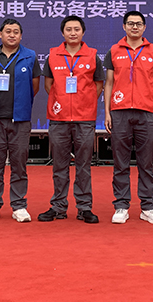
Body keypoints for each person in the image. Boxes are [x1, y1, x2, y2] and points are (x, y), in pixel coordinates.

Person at [38, 15, 105, 224]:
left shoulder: (93, 56)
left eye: (77, 29)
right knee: (60, 165)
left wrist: (84, 102)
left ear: (83, 32)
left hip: (84, 119)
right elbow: (49, 85)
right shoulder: (53, 55)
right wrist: (62, 102)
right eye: (69, 29)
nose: (73, 33)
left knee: (84, 165)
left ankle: (84, 207)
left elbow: (99, 85)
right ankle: (58, 206)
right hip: (59, 119)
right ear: (62, 33)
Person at [103, 11, 153, 225]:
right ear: (124, 27)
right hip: (119, 112)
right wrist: (107, 112)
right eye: (130, 23)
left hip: (146, 112)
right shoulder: (114, 51)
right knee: (120, 162)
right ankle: (121, 205)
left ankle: (148, 206)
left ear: (144, 27)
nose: (134, 27)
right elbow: (109, 83)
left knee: (145, 163)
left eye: (138, 24)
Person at [0, 18, 41, 223]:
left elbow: (34, 86)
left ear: (21, 36)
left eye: (15, 32)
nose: (11, 35)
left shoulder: (30, 56)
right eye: (8, 31)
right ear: (0, 34)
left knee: (19, 164)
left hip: (20, 120)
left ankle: (19, 205)